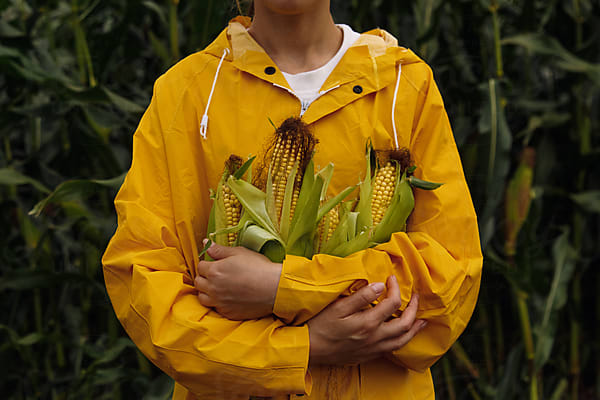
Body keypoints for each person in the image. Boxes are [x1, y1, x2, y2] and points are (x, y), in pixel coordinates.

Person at [102, 1, 483, 399]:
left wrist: (281, 288)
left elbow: (448, 277)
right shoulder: (187, 93)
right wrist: (305, 348)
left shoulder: (404, 88)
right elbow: (145, 282)